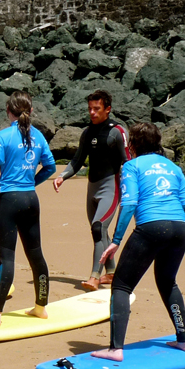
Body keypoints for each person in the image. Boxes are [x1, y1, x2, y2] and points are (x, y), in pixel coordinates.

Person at [91, 122, 185, 362]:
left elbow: (129, 204)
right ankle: (184, 340)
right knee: (167, 281)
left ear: (132, 145)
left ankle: (115, 349)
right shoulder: (174, 168)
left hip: (152, 228)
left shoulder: (131, 166)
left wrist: (117, 240)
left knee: (121, 286)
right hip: (179, 229)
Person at [0, 91, 56, 327]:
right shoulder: (38, 136)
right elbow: (50, 167)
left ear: (9, 112)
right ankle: (40, 307)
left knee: (6, 258)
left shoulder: (3, 135)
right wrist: (30, 184)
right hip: (30, 199)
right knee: (35, 254)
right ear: (31, 111)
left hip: (10, 200)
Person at [52, 90, 130, 291]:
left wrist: (132, 189)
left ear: (108, 109)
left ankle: (94, 276)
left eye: (97, 109)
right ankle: (111, 273)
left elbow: (128, 162)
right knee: (99, 232)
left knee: (98, 228)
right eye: (90, 109)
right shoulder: (87, 133)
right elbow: (78, 160)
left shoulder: (117, 131)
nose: (92, 113)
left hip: (110, 187)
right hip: (92, 188)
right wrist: (63, 176)